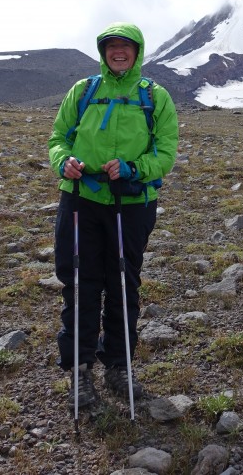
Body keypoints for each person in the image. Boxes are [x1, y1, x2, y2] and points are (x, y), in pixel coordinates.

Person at [48, 22, 178, 411]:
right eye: (112, 47)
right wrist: (63, 162)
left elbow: (166, 153)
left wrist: (134, 168)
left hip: (131, 203)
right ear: (103, 52)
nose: (118, 52)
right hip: (81, 200)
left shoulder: (155, 97)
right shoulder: (84, 91)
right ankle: (80, 368)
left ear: (137, 52)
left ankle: (118, 366)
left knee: (123, 283)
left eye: (126, 46)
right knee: (80, 284)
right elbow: (59, 138)